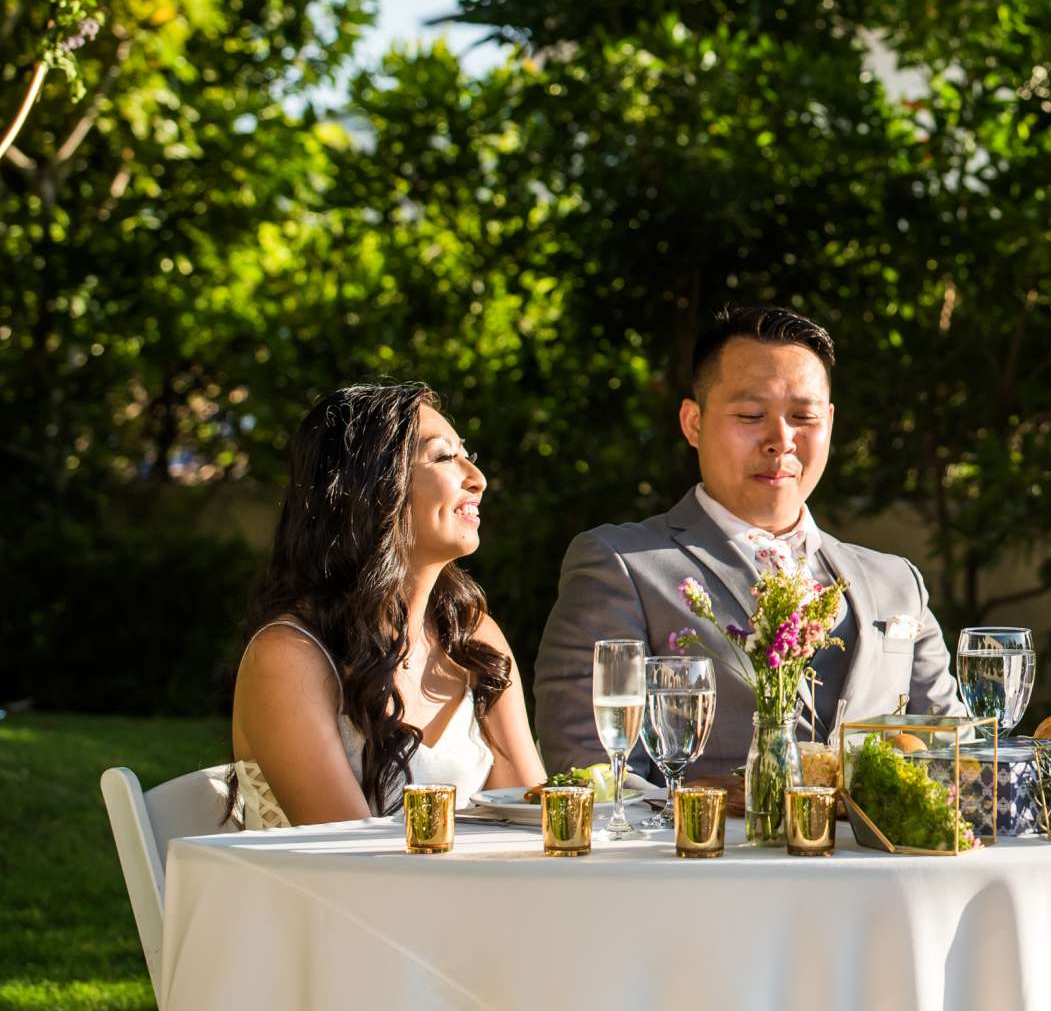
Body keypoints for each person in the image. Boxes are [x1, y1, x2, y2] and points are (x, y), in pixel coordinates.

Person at [534, 305, 962, 779]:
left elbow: (957, 758)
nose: (781, 439)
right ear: (693, 422)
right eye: (751, 414)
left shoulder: (897, 581)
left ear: (831, 421)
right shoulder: (622, 565)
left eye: (803, 415)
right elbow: (589, 770)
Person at [229, 384, 543, 827]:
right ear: (372, 489)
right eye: (443, 457)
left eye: (465, 453)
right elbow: (348, 858)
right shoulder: (289, 657)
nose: (477, 478)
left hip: (465, 893)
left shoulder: (472, 638)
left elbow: (533, 822)